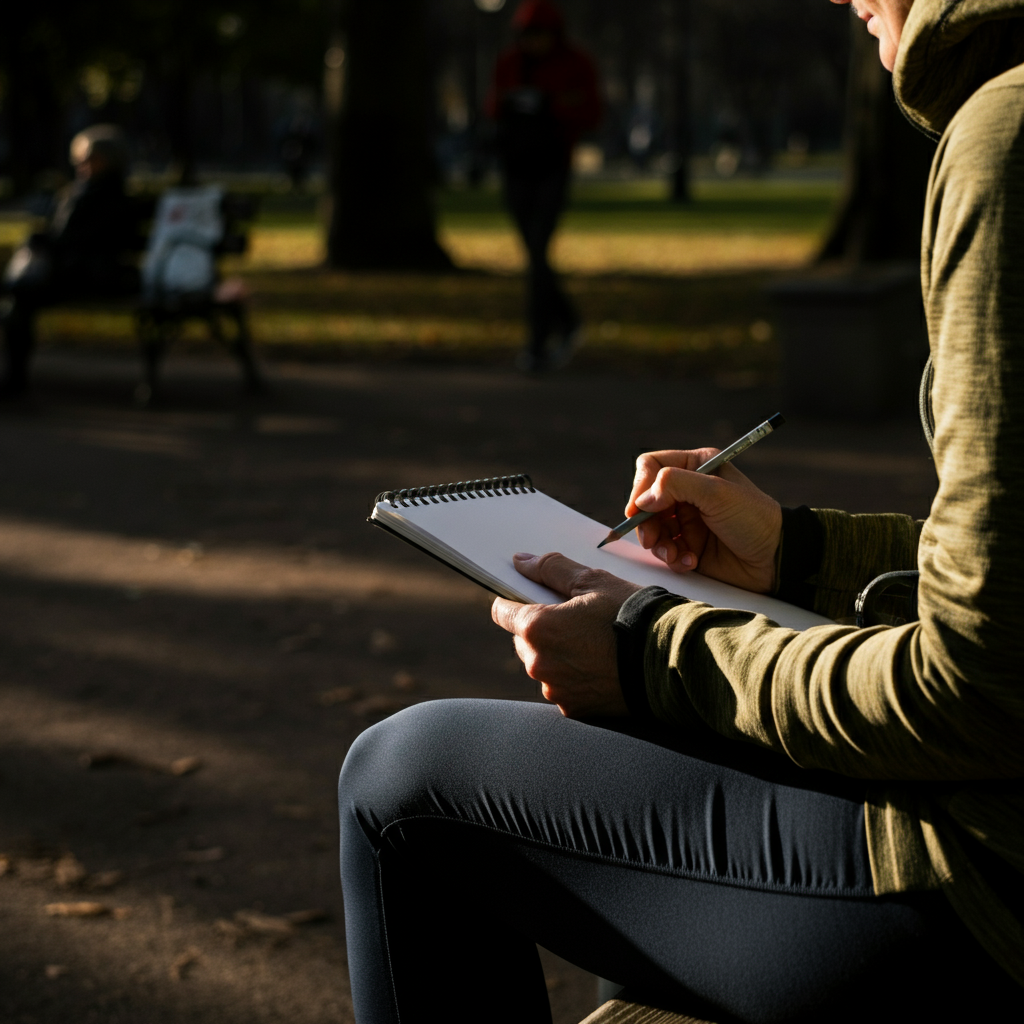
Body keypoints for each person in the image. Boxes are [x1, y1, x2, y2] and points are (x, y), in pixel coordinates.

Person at [338, 1, 1024, 1020]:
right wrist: (799, 556)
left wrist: (651, 649)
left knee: (398, 777)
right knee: (668, 740)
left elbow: (979, 690)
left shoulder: (1004, 139)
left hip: (986, 900)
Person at [485, 0, 601, 373]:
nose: (533, 43)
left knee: (538, 248)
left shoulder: (574, 63)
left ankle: (538, 343)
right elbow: (492, 105)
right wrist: (512, 105)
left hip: (553, 165)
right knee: (533, 253)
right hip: (517, 165)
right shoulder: (510, 63)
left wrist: (551, 106)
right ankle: (567, 322)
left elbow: (591, 110)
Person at [0, 125, 141, 397]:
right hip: (76, 270)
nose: (79, 164)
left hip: (91, 274)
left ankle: (15, 380)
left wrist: (44, 242)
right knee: (19, 296)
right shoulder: (87, 191)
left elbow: (83, 239)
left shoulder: (105, 196)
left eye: (86, 158)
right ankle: (14, 377)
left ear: (106, 160)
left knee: (20, 296)